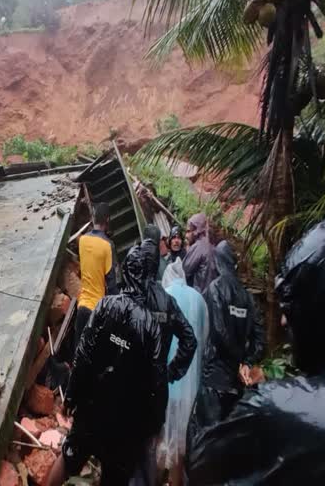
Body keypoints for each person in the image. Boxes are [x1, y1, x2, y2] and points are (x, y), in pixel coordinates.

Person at [188, 213, 325, 484]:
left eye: (293, 306)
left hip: (218, 378)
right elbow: (258, 334)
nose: (285, 320)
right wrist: (247, 360)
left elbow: (203, 465)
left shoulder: (278, 411)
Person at [47, 246, 168, 486]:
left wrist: (71, 396)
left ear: (125, 272)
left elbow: (83, 354)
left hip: (92, 405)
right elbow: (156, 381)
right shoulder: (151, 326)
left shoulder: (104, 306)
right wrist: (154, 424)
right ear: (148, 279)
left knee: (70, 455)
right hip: (125, 419)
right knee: (114, 476)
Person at [126, 239, 198, 486]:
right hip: (157, 387)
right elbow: (190, 340)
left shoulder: (130, 299)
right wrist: (171, 372)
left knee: (129, 446)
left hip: (132, 384)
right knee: (151, 444)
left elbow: (116, 339)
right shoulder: (167, 301)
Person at [187, 240, 264, 444]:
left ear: (218, 262)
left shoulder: (215, 289)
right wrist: (246, 362)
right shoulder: (247, 297)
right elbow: (259, 338)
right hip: (237, 383)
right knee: (229, 440)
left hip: (215, 378)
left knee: (206, 440)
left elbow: (220, 332)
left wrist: (237, 360)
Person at [157, 259, 208, 486]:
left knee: (160, 435)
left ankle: (156, 479)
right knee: (181, 439)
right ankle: (175, 481)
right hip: (191, 383)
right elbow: (204, 339)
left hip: (166, 382)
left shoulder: (163, 295)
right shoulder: (199, 299)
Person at [74, 203, 118, 351]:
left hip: (81, 308)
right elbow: (112, 286)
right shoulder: (108, 245)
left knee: (78, 357)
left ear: (94, 219)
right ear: (108, 220)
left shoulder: (82, 240)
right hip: (97, 311)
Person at [182, 214, 218, 293]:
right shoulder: (210, 245)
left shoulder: (198, 247)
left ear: (196, 230)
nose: (186, 236)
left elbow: (183, 272)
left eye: (188, 231)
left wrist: (189, 250)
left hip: (201, 295)